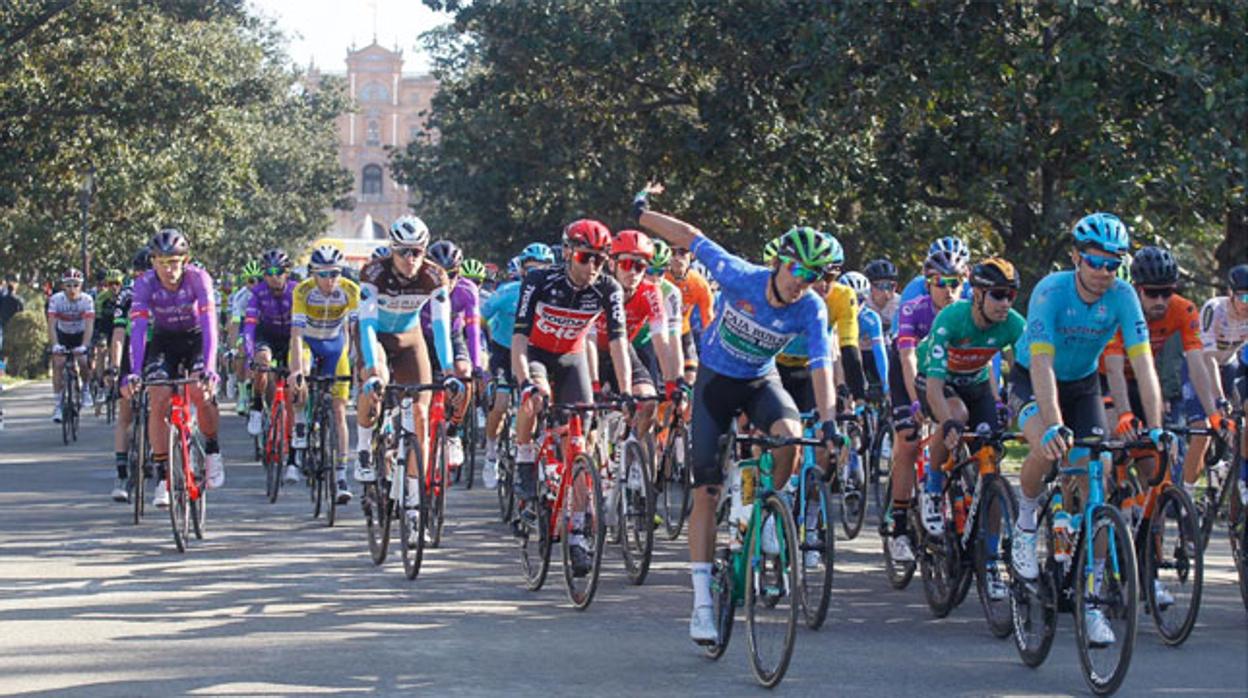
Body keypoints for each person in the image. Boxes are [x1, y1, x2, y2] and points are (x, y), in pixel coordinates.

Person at [634, 186, 846, 646]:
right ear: (779, 263)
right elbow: (691, 237)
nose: (800, 282)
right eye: (796, 270)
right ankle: (702, 603)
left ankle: (769, 509)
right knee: (706, 489)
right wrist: (643, 215)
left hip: (759, 382)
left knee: (792, 436)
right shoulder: (740, 276)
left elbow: (821, 367)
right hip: (715, 382)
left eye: (811, 276)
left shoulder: (810, 307)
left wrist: (829, 423)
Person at [1009, 213, 1173, 647]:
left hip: (1082, 385)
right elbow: (1041, 361)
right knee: (1047, 449)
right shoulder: (1050, 291)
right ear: (1077, 257)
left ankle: (1094, 595)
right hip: (1032, 378)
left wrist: (1155, 429)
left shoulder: (1122, 297)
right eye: (1095, 261)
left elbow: (1143, 362)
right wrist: (1053, 424)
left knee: (1094, 474)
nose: (1104, 273)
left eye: (1112, 264)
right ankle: (1025, 521)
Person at [510, 219, 631, 577]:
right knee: (536, 396)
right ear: (567, 253)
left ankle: (578, 530)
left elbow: (619, 343)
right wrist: (524, 383)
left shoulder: (608, 288)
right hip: (535, 354)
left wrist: (625, 392)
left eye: (600, 259)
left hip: (572, 358)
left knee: (580, 443)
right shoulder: (539, 281)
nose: (592, 266)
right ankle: (525, 457)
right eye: (584, 257)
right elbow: (518, 339)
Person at [914, 258, 1024, 602]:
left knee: (990, 464)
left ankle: (990, 562)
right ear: (977, 294)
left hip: (976, 384)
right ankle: (933, 488)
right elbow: (934, 387)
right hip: (936, 381)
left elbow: (1028, 371)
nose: (1005, 303)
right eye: (998, 295)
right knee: (956, 416)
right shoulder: (952, 318)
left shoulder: (1013, 324)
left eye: (1011, 296)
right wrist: (945, 423)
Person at [355, 215, 455, 539]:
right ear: (391, 250)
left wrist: (451, 371)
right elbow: (367, 326)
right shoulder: (373, 273)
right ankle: (362, 451)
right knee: (376, 379)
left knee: (421, 415)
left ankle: (413, 507)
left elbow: (440, 328)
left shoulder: (434, 275)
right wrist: (371, 370)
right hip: (378, 339)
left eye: (417, 252)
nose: (410, 260)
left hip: (410, 338)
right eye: (403, 252)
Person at [1102, 247, 1219, 504]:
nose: (1160, 301)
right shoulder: (1120, 310)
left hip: (1141, 379)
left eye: (1166, 292)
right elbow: (1113, 369)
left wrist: (1213, 414)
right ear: (1137, 289)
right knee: (1112, 438)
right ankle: (1105, 500)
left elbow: (1197, 365)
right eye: (1152, 293)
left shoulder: (1183, 310)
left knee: (1155, 469)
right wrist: (1123, 414)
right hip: (1104, 379)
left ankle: (1145, 528)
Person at [122, 229, 224, 505]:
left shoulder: (199, 279)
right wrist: (135, 370)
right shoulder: (144, 284)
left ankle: (212, 450)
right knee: (158, 397)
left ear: (185, 260)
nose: (170, 270)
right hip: (165, 340)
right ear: (153, 261)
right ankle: (164, 475)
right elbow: (139, 329)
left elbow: (209, 325)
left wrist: (210, 367)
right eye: (163, 263)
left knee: (200, 392)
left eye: (175, 262)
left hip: (195, 338)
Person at [884, 248, 967, 563]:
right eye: (940, 282)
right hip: (909, 375)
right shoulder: (912, 309)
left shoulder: (967, 311)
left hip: (945, 373)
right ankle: (900, 529)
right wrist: (918, 401)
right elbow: (908, 358)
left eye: (955, 282)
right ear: (927, 283)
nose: (948, 289)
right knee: (907, 442)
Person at [287, 245, 359, 502]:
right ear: (313, 274)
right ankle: (298, 437)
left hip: (335, 346)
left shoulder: (350, 290)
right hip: (308, 343)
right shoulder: (302, 291)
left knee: (339, 411)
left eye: (335, 273)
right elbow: (296, 335)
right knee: (300, 378)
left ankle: (341, 475)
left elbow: (353, 332)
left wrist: (356, 364)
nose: (330, 280)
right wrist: (296, 371)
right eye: (324, 274)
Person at [480, 245, 553, 488]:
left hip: (534, 352)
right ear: (522, 271)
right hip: (504, 350)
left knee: (543, 398)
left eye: (543, 269)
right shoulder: (507, 292)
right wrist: (485, 341)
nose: (536, 274)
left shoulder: (553, 294)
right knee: (501, 403)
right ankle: (491, 452)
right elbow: (480, 317)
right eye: (531, 269)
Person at [423, 239, 481, 471]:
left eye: (452, 274)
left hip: (452, 336)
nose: (446, 281)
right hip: (422, 338)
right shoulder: (420, 286)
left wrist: (477, 366)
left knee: (464, 373)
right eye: (440, 274)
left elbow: (473, 330)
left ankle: (454, 431)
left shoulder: (468, 290)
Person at [1198, 264, 1248, 504]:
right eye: (1244, 297)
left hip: (1229, 362)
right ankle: (1187, 492)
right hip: (1202, 363)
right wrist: (1219, 398)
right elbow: (1208, 360)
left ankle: (1229, 463)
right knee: (1205, 423)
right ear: (1231, 294)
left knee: (1240, 420)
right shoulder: (1214, 309)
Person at [108, 248, 150, 501]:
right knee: (125, 413)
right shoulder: (126, 295)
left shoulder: (163, 292)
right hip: (131, 354)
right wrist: (114, 364)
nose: (142, 276)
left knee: (160, 405)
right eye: (138, 272)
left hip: (158, 350)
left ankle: (159, 458)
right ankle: (122, 474)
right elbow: (118, 334)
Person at [244, 250, 296, 439]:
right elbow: (249, 326)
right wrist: (251, 357)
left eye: (279, 271)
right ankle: (256, 407)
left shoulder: (296, 291)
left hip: (291, 337)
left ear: (287, 272)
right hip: (267, 335)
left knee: (295, 380)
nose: (274, 277)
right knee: (263, 361)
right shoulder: (258, 293)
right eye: (268, 273)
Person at [665, 234, 715, 383]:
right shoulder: (660, 278)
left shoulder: (699, 283)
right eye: (672, 252)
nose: (677, 257)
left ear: (691, 255)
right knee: (667, 378)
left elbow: (708, 319)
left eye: (682, 252)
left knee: (690, 378)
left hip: (683, 333)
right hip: (658, 335)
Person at [47, 268, 95, 422]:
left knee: (82, 361)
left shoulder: (87, 300)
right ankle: (58, 405)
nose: (72, 289)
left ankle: (86, 389)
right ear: (63, 286)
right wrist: (55, 345)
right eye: (68, 285)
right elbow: (51, 325)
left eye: (75, 285)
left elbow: (89, 325)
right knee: (59, 364)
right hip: (63, 334)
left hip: (80, 334)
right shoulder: (56, 299)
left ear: (80, 286)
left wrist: (84, 346)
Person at [0, 277, 25, 381]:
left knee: (3, 353)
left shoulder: (2, 299)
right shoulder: (18, 300)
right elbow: (22, 313)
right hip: (15, 328)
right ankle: (15, 371)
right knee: (15, 350)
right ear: (14, 289)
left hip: (4, 325)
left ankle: (2, 371)